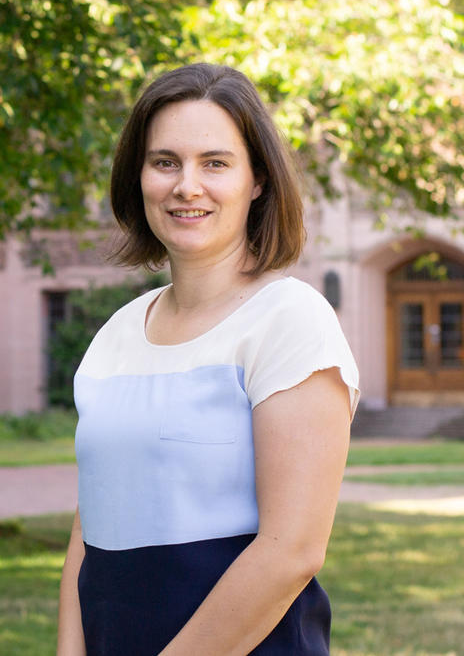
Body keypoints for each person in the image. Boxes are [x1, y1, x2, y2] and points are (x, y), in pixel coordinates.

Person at [56, 63, 359, 656]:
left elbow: (290, 551)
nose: (185, 185)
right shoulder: (117, 334)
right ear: (137, 176)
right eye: (164, 161)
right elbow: (89, 526)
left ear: (258, 182)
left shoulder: (290, 321)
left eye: (215, 163)